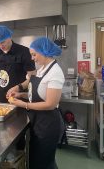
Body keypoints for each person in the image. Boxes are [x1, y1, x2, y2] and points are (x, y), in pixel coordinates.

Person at [8, 37, 65, 169]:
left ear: (44, 52)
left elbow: (50, 103)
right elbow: (37, 95)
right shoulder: (42, 69)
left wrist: (24, 104)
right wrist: (20, 94)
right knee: (35, 161)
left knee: (44, 163)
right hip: (38, 122)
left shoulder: (55, 72)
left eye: (34, 55)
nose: (32, 58)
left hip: (48, 124)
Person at [0, 25, 36, 103]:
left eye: (2, 42)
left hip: (18, 97)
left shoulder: (25, 52)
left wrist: (18, 87)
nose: (0, 45)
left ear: (9, 37)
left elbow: (33, 77)